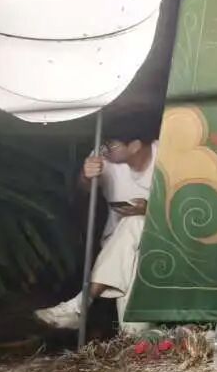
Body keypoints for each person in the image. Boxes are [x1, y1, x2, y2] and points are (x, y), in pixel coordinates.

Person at [35, 116, 157, 331]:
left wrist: (151, 210)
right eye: (103, 144)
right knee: (130, 257)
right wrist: (86, 176)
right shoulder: (103, 157)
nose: (104, 150)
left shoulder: (167, 154)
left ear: (135, 146)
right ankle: (138, 342)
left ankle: (80, 306)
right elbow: (83, 192)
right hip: (118, 244)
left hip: (163, 240)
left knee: (135, 222)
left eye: (111, 145)